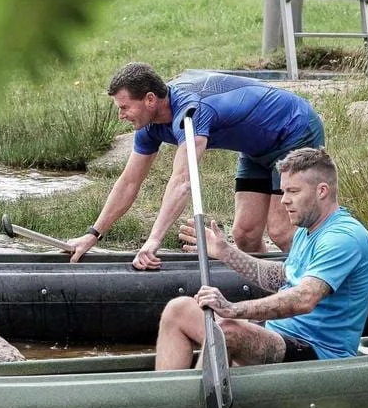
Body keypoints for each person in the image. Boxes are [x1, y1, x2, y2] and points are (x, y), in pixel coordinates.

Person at [67, 63, 325, 269]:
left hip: (294, 130)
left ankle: (316, 285)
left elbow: (182, 181)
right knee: (245, 234)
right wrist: (93, 234)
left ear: (149, 99)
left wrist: (153, 241)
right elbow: (129, 182)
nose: (120, 115)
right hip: (255, 149)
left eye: (124, 107)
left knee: (280, 231)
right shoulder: (149, 128)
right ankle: (267, 286)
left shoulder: (192, 112)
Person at [154, 148, 368, 369]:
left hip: (317, 352)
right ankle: (167, 398)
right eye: (283, 191)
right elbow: (284, 276)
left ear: (322, 191)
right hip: (277, 332)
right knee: (178, 310)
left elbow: (304, 299)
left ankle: (192, 405)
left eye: (293, 191)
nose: (284, 201)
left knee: (226, 331)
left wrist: (233, 309)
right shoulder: (307, 228)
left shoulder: (342, 238)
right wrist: (225, 252)